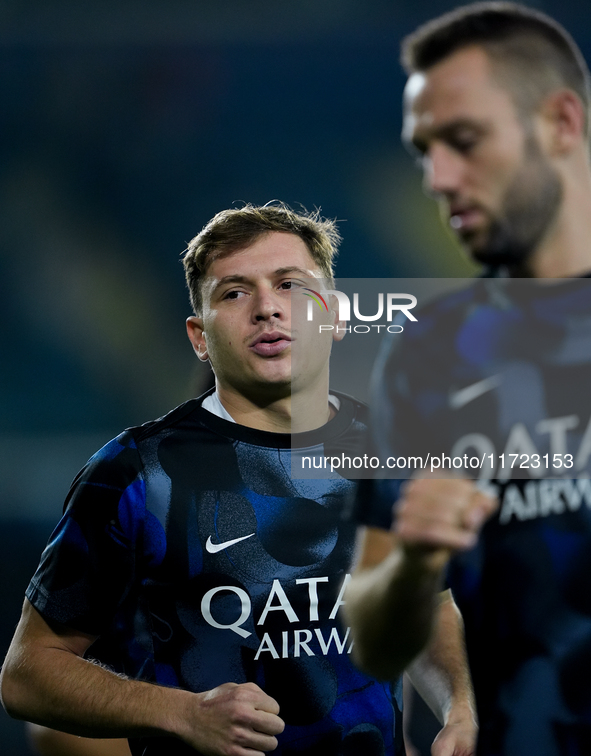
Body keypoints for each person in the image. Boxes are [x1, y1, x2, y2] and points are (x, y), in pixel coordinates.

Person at [0, 203, 476, 756]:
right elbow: (27, 673)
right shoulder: (134, 473)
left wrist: (459, 706)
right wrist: (182, 713)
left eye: (290, 285)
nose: (268, 308)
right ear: (199, 337)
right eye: (234, 292)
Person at [345, 3, 591, 755]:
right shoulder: (425, 354)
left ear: (558, 122)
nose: (437, 177)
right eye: (424, 150)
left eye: (462, 140)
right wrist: (416, 563)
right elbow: (372, 638)